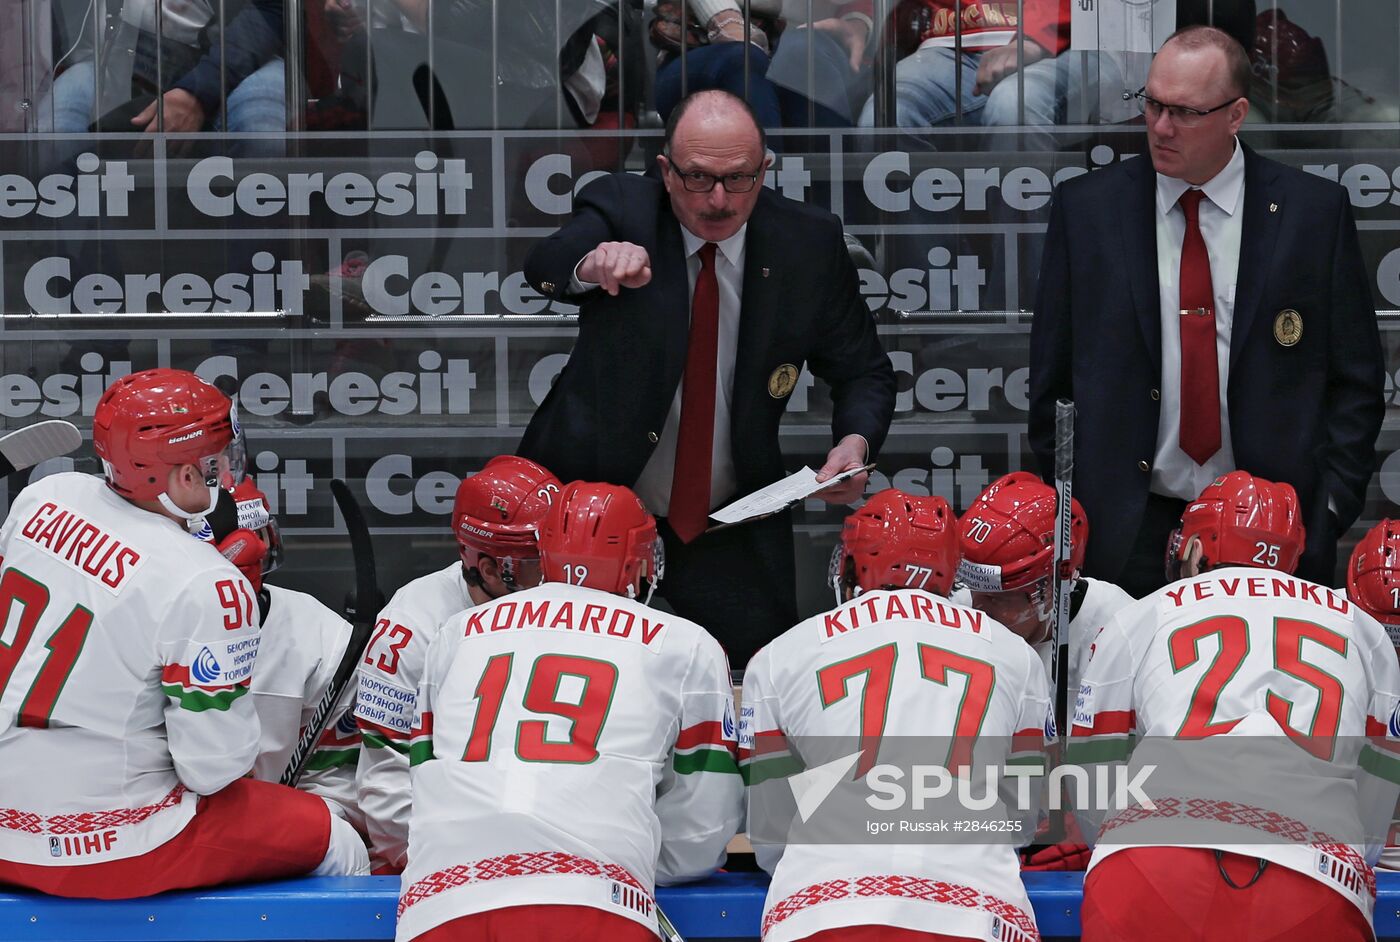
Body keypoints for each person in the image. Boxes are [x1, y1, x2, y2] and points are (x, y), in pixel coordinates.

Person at [518, 88, 896, 665]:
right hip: (593, 510)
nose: (718, 200)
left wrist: (855, 442)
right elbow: (544, 264)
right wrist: (589, 267)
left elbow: (864, 371)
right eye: (697, 178)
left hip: (732, 516)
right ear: (666, 172)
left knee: (750, 681)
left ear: (765, 170)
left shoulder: (808, 243)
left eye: (739, 179)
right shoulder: (623, 206)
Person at [1029, 25, 1383, 598]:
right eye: (1154, 104)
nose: (1161, 127)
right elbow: (1052, 381)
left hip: (1269, 529)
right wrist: (1076, 510)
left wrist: (1328, 511)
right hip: (1125, 531)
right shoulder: (1088, 210)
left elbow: (1356, 382)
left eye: (1185, 113)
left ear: (1236, 114)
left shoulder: (1311, 214)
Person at [0, 369, 365, 898]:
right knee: (338, 841)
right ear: (184, 476)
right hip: (110, 849)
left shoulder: (43, 498)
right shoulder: (205, 580)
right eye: (215, 462)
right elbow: (212, 770)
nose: (223, 473)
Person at [396, 481, 743, 942]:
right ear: (641, 562)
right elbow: (703, 826)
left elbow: (422, 772)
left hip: (438, 901)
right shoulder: (685, 643)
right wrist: (640, 858)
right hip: (592, 901)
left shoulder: (456, 632)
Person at [1069, 471, 1400, 941]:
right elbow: (1378, 788)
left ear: (1197, 549)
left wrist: (1113, 844)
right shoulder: (1362, 629)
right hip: (1314, 871)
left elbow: (1090, 771)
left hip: (1151, 858)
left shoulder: (1142, 613)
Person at [741, 489, 1050, 942]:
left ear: (853, 564)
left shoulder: (779, 655)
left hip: (821, 911)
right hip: (978, 912)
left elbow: (770, 832)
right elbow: (1022, 820)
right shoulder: (1017, 656)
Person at [355, 455, 562, 873]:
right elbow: (386, 785)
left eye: (558, 556)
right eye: (535, 567)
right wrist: (454, 869)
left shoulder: (572, 608)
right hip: (444, 855)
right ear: (487, 568)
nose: (553, 579)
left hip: (555, 838)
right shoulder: (409, 629)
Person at [957, 471, 1133, 872]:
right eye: (973, 590)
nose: (976, 609)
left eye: (997, 599)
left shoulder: (1122, 629)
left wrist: (1098, 820)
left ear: (1054, 584)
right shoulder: (959, 608)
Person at [209, 479, 362, 830]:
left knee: (345, 848)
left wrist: (275, 825)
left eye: (254, 536)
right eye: (228, 542)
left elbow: (337, 784)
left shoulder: (325, 638)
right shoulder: (142, 629)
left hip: (276, 826)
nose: (249, 551)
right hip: (167, 825)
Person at [42, 0, 285, 148]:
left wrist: (199, 90)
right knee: (56, 124)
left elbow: (272, 9)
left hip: (238, 52)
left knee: (261, 120)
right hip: (121, 55)